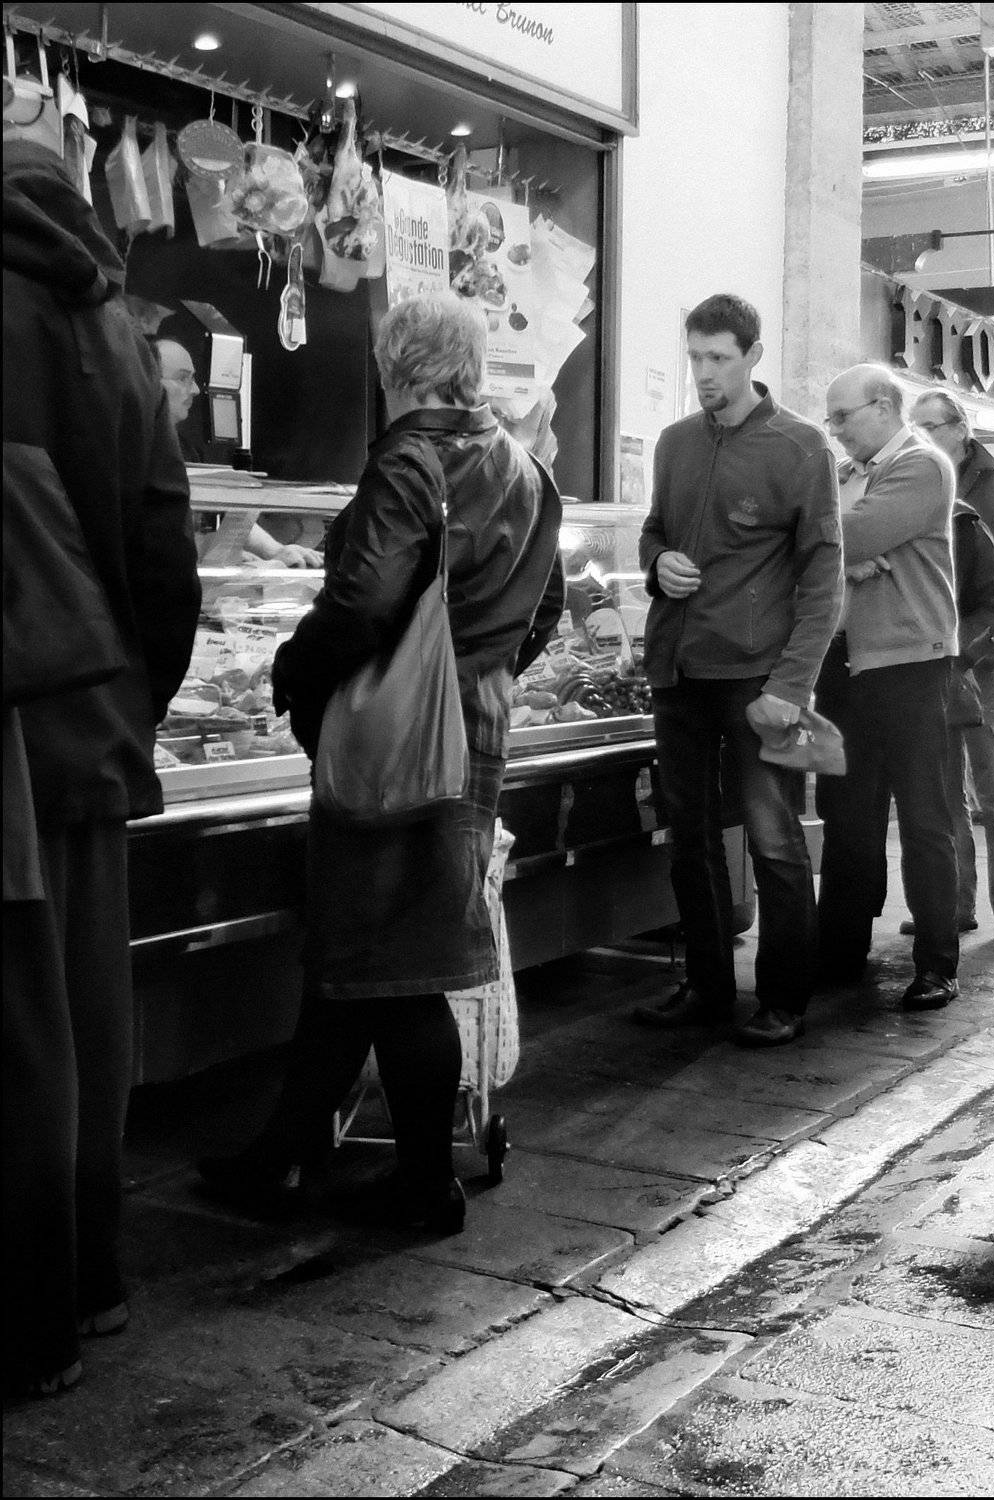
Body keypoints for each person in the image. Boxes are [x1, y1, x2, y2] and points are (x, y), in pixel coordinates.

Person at [198, 293, 563, 1233]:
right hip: (474, 725)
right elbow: (548, 606)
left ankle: (421, 1186)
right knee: (371, 954)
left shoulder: (410, 456)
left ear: (397, 363)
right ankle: (286, 1151)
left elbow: (363, 601)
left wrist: (293, 670)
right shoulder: (523, 465)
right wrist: (475, 674)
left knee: (398, 966)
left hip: (399, 739)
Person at [3, 75, 201, 1400]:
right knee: (89, 1011)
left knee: (18, 1030)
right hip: (94, 708)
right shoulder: (117, 326)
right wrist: (138, 689)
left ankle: (28, 1320)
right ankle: (91, 1276)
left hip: (13, 728)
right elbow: (164, 543)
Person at [633, 293, 842, 1048]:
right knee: (687, 840)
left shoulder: (800, 447)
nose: (704, 374)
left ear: (753, 356)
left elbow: (825, 579)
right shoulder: (674, 443)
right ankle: (706, 986)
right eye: (694, 357)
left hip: (757, 679)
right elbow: (652, 529)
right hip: (679, 671)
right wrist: (658, 563)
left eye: (718, 358)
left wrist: (790, 688)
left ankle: (784, 997)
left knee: (774, 841)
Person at [816, 365, 962, 1012]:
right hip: (846, 664)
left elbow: (846, 536)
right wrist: (846, 558)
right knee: (848, 820)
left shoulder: (920, 465)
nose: (835, 429)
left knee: (925, 819)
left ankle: (936, 963)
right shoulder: (849, 475)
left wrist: (848, 550)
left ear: (881, 407)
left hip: (909, 664)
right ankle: (841, 953)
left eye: (842, 416)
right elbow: (833, 546)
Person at [909, 392, 994, 951]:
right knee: (940, 792)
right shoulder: (908, 483)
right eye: (911, 428)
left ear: (962, 429)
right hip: (926, 660)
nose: (919, 437)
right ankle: (952, 905)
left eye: (930, 427)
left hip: (990, 660)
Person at [148, 334, 321, 567]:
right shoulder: (133, 449)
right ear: (148, 380)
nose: (197, 390)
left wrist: (273, 551)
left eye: (194, 379)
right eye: (183, 378)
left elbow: (220, 512)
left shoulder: (185, 449)